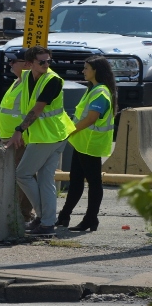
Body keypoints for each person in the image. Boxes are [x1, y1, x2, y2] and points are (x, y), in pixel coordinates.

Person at [4, 46, 75, 235]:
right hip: (50, 135)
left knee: (23, 174)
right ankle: (46, 223)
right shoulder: (27, 77)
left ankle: (45, 219)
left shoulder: (53, 80)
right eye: (41, 62)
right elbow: (17, 69)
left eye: (48, 61)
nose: (46, 65)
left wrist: (19, 130)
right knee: (45, 180)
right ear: (29, 64)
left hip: (49, 137)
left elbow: (37, 109)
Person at [57, 55, 116, 231]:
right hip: (82, 143)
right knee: (75, 181)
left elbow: (91, 119)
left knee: (93, 182)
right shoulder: (93, 89)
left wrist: (70, 130)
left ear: (96, 70)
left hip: (90, 144)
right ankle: (64, 216)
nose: (83, 71)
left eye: (86, 68)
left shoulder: (100, 92)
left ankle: (90, 219)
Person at [0, 48, 36, 224]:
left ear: (27, 64)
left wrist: (21, 132)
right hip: (8, 137)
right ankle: (19, 214)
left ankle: (25, 216)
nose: (10, 64)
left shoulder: (28, 82)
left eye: (14, 61)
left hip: (19, 138)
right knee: (15, 179)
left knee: (23, 178)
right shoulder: (17, 82)